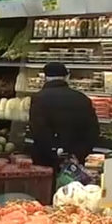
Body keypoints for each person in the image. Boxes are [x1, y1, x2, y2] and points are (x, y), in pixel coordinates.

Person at [29, 62, 100, 192]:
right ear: (67, 77)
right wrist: (80, 153)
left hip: (47, 159)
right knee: (72, 194)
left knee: (47, 192)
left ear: (45, 77)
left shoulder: (39, 98)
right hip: (75, 160)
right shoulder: (82, 98)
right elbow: (93, 130)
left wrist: (54, 151)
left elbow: (39, 130)